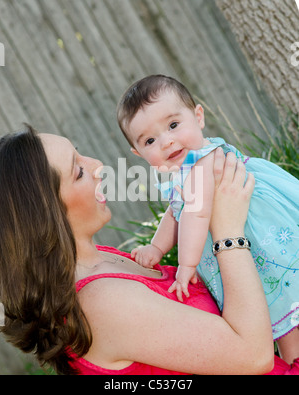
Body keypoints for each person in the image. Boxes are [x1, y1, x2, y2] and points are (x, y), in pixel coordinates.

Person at [0, 125, 297, 375]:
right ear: (44, 214)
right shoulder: (103, 301)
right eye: (78, 171)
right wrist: (228, 232)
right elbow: (254, 357)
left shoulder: (101, 258)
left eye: (80, 153)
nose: (97, 166)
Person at [117, 75, 299, 364]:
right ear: (138, 153)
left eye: (173, 125)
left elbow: (197, 211)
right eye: (151, 140)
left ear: (198, 116)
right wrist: (157, 247)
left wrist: (186, 264)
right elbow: (177, 211)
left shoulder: (203, 159)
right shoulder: (178, 170)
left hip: (263, 234)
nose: (167, 141)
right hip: (241, 243)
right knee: (274, 312)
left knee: (289, 319)